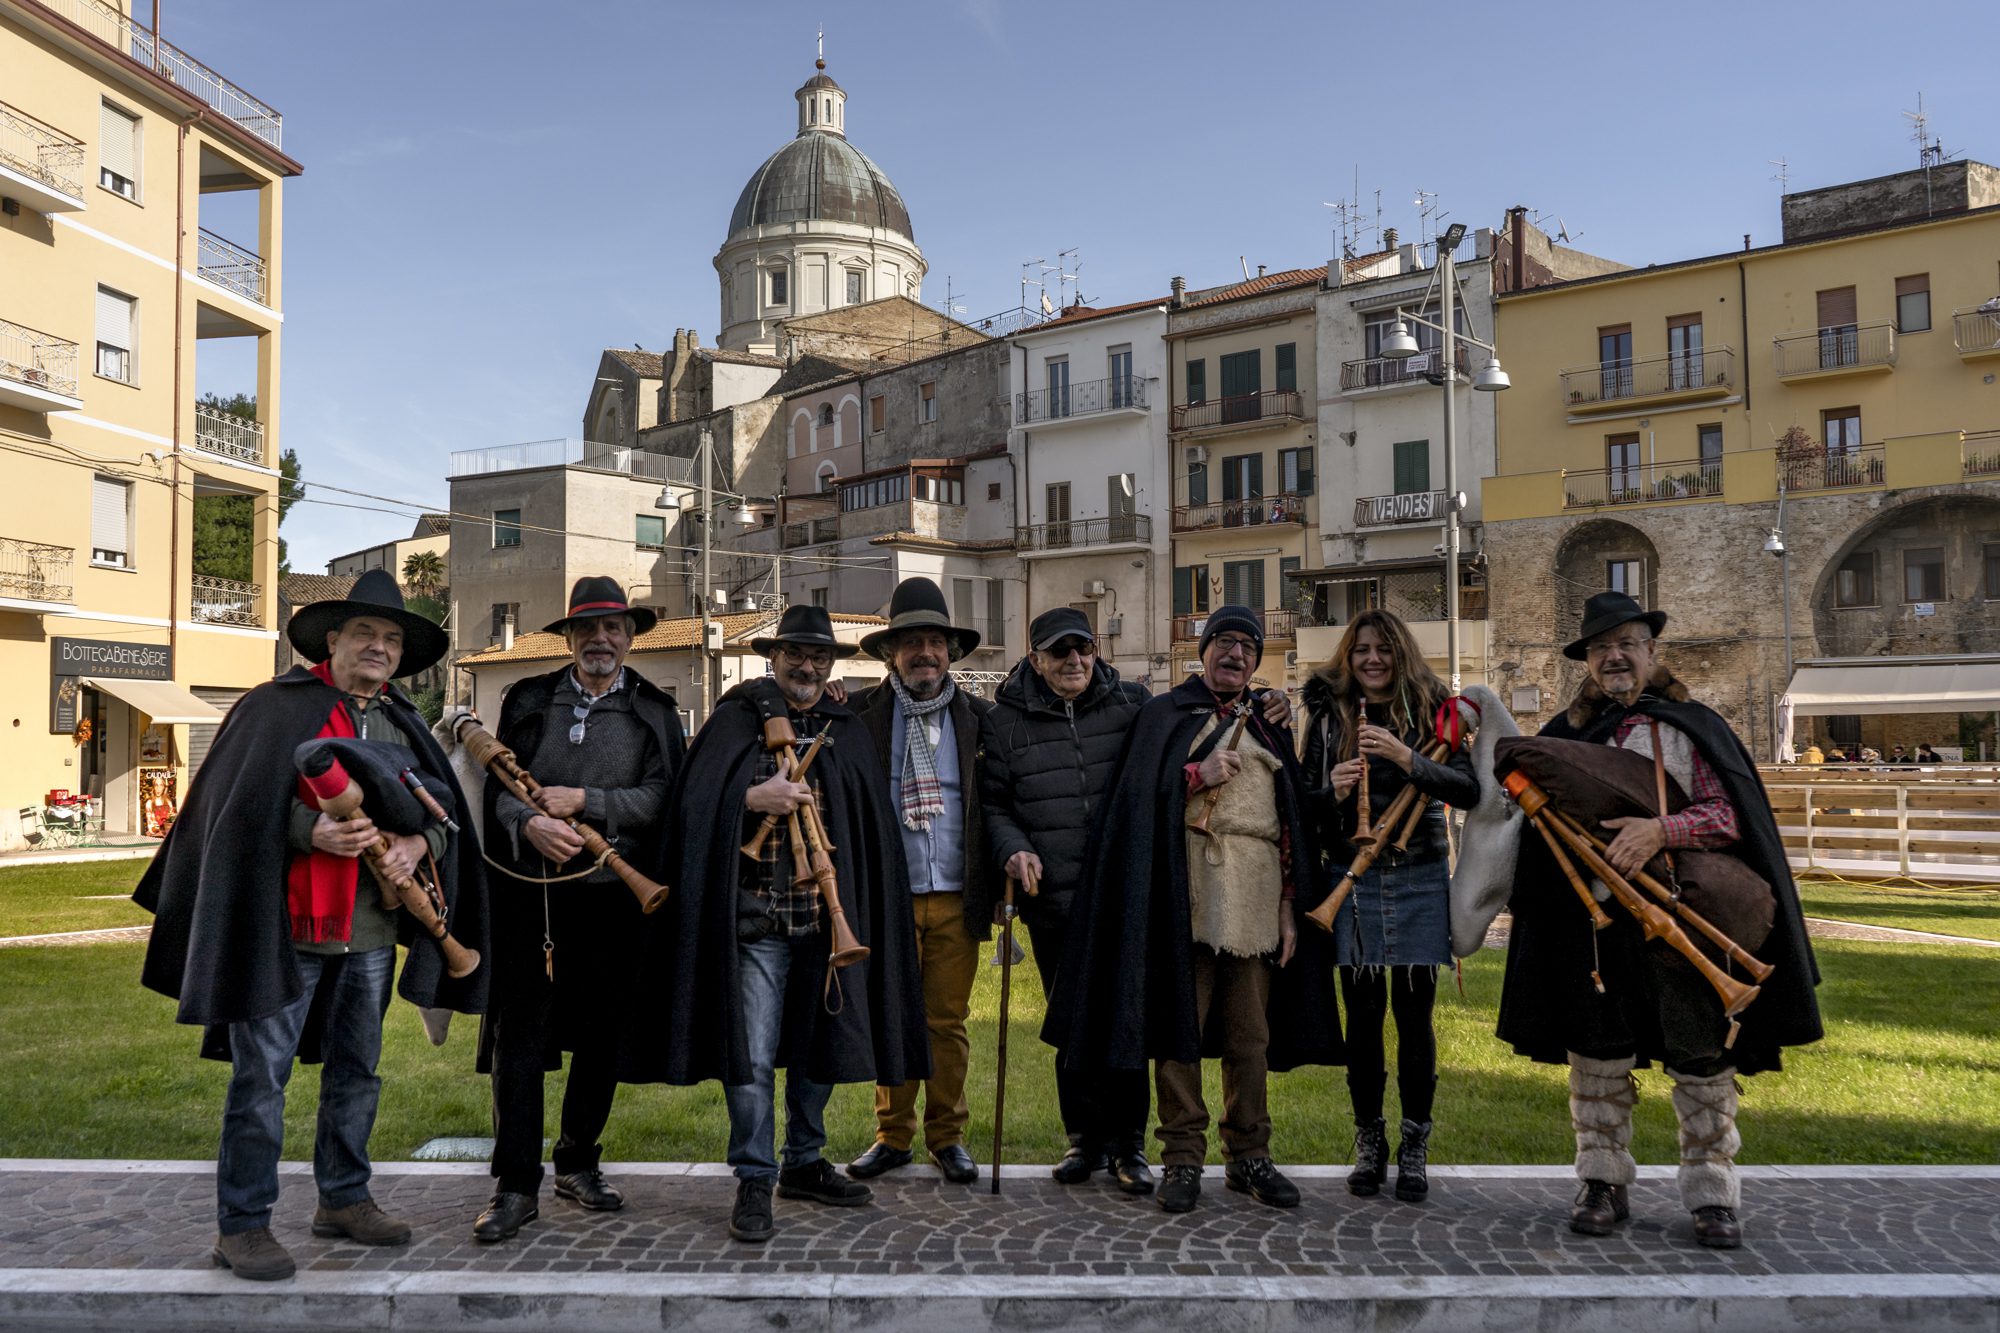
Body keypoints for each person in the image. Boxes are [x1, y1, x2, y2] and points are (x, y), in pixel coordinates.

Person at [134, 570, 487, 1280]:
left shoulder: (399, 721)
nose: (379, 648)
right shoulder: (274, 709)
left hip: (370, 936)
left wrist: (424, 844)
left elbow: (441, 814)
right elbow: (230, 809)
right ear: (333, 640)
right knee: (260, 1077)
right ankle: (243, 1224)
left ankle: (345, 1197)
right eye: (365, 634)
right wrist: (309, 830)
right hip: (285, 929)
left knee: (358, 1071)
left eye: (391, 638)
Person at [1495, 591, 1822, 1249]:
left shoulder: (1688, 725)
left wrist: (1661, 830)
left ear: (1650, 651)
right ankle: (1601, 1179)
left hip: (1683, 917)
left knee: (1700, 1053)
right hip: (1594, 925)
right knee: (1597, 1051)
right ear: (1587, 659)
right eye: (1601, 647)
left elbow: (1730, 815)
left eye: (1627, 644)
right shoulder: (1565, 735)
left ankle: (1711, 1192)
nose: (1614, 657)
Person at [638, 605, 928, 1243]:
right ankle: (753, 1175)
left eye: (819, 656)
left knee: (818, 1048)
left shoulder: (843, 727)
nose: (807, 665)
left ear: (830, 665)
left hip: (828, 924)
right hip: (756, 923)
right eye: (795, 653)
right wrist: (751, 798)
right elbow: (695, 801)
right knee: (754, 1053)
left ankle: (803, 1161)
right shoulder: (735, 719)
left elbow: (865, 821)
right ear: (775, 656)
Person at [1045, 605, 1340, 1215]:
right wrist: (1194, 774)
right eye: (1224, 643)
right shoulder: (1163, 715)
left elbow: (1291, 823)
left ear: (1258, 661)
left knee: (1249, 1037)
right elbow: (1136, 802)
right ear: (1201, 651)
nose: (1235, 655)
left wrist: (1290, 906)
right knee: (1177, 1032)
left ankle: (1249, 1156)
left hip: (1257, 897)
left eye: (1247, 648)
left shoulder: (1268, 721)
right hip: (1182, 896)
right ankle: (1182, 1157)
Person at [471, 579, 686, 1243]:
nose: (601, 640)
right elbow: (499, 788)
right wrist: (528, 825)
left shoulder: (654, 709)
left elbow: (660, 796)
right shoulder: (529, 699)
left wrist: (586, 800)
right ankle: (514, 1184)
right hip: (532, 897)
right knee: (522, 1040)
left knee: (603, 1036)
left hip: (615, 899)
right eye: (588, 629)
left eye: (613, 628)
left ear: (630, 634)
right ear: (570, 636)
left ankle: (578, 1160)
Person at [1300, 609, 1478, 1205]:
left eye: (1383, 649)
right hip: (1350, 874)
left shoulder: (1434, 708)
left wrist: (1408, 760)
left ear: (1400, 653)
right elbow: (1305, 803)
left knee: (1414, 1014)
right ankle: (1370, 1141)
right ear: (1347, 658)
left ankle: (1415, 1144)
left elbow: (1470, 791)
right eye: (1361, 651)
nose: (1372, 660)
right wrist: (1336, 791)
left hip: (1420, 870)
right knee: (1364, 1012)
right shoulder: (1327, 712)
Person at [845, 579, 997, 1186]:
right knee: (892, 1015)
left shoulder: (982, 721)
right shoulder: (859, 719)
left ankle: (948, 1136)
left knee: (946, 1024)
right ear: (891, 655)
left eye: (935, 641)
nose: (924, 654)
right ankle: (892, 1135)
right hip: (890, 897)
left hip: (959, 897)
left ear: (950, 652)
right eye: (912, 643)